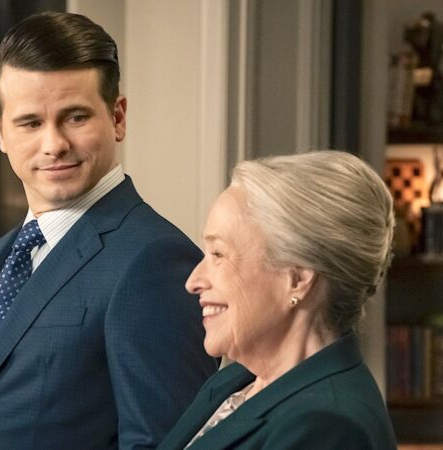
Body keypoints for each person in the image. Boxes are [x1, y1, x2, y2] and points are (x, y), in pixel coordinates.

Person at [0, 11, 217, 450]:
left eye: (75, 117)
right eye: (31, 123)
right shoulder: (2, 254)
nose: (54, 145)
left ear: (118, 117)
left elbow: (162, 442)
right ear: (0, 131)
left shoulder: (155, 260)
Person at [157, 150, 397, 449]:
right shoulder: (234, 381)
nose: (193, 281)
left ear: (296, 279)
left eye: (218, 254)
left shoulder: (327, 428)